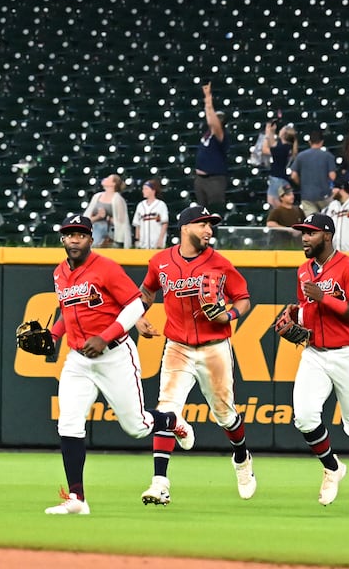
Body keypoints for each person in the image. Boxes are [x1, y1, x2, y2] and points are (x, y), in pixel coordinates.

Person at [35, 214, 194, 515]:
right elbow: (65, 310)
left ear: (90, 239)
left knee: (136, 427)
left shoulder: (105, 268)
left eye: (80, 234)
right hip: (78, 361)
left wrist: (105, 337)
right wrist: (53, 337)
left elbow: (136, 304)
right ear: (62, 239)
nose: (74, 239)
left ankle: (171, 421)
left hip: (116, 356)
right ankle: (76, 499)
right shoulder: (59, 273)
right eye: (69, 235)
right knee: (69, 422)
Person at [138, 204, 256, 504]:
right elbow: (147, 291)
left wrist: (229, 316)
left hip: (214, 346)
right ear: (186, 228)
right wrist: (138, 318)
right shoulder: (161, 261)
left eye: (210, 225)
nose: (209, 230)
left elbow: (243, 299)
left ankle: (241, 458)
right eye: (203, 224)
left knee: (225, 414)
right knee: (167, 409)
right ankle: (159, 482)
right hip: (177, 346)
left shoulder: (219, 262)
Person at [285, 213, 349, 513]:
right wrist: (296, 316)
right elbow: (308, 308)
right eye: (302, 233)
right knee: (304, 416)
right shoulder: (303, 271)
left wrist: (325, 300)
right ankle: (332, 466)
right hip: (315, 352)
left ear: (327, 236)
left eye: (310, 233)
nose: (304, 238)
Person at [193, 83, 230, 210]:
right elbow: (209, 118)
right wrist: (206, 101)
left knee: (214, 212)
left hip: (214, 180)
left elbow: (211, 120)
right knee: (202, 213)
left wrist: (209, 101)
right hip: (200, 179)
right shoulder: (208, 134)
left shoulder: (221, 135)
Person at [290, 132, 336, 215]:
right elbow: (332, 176)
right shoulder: (328, 156)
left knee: (312, 224)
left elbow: (293, 176)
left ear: (309, 142)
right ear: (322, 142)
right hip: (325, 195)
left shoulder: (301, 156)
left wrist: (302, 184)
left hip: (307, 195)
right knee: (328, 221)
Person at [84, 173, 132, 248]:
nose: (105, 179)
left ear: (113, 184)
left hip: (112, 231)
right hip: (96, 229)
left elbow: (122, 222)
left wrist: (109, 219)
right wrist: (98, 216)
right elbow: (87, 218)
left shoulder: (118, 199)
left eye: (108, 178)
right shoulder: (97, 196)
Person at [264, 123, 299, 208]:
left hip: (278, 179)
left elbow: (265, 149)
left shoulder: (282, 149)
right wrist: (271, 131)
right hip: (280, 178)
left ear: (283, 134)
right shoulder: (287, 147)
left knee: (275, 204)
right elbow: (273, 144)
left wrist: (267, 133)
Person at [132, 179, 169, 250]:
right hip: (143, 244)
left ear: (153, 190)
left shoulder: (161, 204)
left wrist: (160, 240)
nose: (143, 191)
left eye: (146, 189)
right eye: (143, 189)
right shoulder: (140, 205)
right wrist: (137, 240)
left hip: (156, 242)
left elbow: (164, 224)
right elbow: (137, 225)